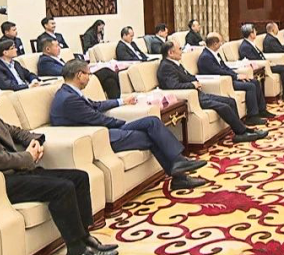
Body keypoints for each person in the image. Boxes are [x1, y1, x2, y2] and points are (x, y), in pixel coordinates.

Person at [0, 79, 118, 255]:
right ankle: (77, 253)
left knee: (79, 177)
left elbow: (15, 132)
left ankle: (84, 237)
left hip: (15, 173)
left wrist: (35, 142)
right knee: (62, 188)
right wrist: (28, 156)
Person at [50, 60, 207, 190]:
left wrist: (121, 101)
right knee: (150, 134)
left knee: (152, 122)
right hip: (100, 137)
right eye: (88, 74)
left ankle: (179, 163)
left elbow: (96, 105)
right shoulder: (69, 99)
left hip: (104, 130)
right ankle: (179, 174)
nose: (90, 78)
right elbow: (97, 118)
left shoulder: (69, 93)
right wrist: (123, 123)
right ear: (79, 75)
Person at [157, 41, 267, 142]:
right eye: (179, 49)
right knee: (224, 106)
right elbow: (173, 86)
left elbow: (189, 76)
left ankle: (241, 130)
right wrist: (192, 85)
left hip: (199, 94)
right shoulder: (166, 67)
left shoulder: (175, 63)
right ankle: (241, 132)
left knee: (230, 101)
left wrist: (196, 81)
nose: (182, 51)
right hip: (191, 98)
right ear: (170, 53)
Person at [197, 33, 273, 123]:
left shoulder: (214, 53)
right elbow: (218, 71)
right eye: (220, 42)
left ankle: (262, 110)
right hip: (221, 82)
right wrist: (236, 76)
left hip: (228, 79)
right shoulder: (206, 57)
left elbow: (225, 68)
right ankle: (252, 116)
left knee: (255, 82)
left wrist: (237, 75)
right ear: (215, 44)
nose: (221, 44)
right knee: (250, 86)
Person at [38, 39, 122, 99]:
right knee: (105, 71)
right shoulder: (45, 61)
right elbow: (65, 71)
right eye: (56, 46)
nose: (59, 48)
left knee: (110, 81)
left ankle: (117, 103)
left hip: (79, 75)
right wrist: (82, 70)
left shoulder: (56, 58)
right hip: (76, 79)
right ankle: (120, 94)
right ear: (48, 49)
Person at [238, 23, 284, 101]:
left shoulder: (250, 43)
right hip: (261, 67)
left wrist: (268, 62)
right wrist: (266, 63)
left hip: (265, 64)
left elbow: (260, 55)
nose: (256, 32)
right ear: (251, 34)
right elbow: (253, 60)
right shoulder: (245, 46)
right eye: (254, 31)